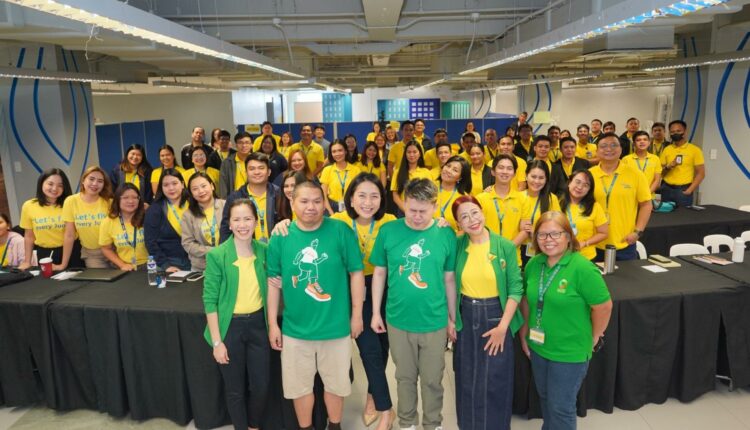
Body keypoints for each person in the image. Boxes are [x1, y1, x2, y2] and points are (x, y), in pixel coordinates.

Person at [266, 181, 365, 430]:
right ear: (292, 202)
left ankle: (335, 425)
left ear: (325, 202)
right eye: (304, 201)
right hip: (295, 330)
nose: (311, 207)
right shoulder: (280, 236)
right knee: (299, 387)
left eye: (317, 201)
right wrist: (272, 325)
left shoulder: (340, 231)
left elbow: (356, 273)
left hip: (336, 327)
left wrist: (357, 315)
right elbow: (273, 284)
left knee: (336, 384)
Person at [370, 178, 457, 430]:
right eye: (412, 210)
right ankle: (407, 423)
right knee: (404, 377)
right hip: (398, 319)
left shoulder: (445, 233)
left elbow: (449, 279)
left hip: (434, 320)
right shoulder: (389, 231)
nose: (417, 216)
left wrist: (452, 318)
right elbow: (379, 273)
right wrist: (375, 312)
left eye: (423, 211)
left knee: (432, 379)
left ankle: (433, 424)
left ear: (434, 206)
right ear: (404, 204)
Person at [519, 211, 612, 430]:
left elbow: (604, 306)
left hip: (570, 351)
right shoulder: (535, 264)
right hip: (539, 346)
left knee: (561, 407)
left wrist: (595, 336)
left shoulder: (582, 268)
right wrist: (524, 331)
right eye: (542, 235)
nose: (548, 240)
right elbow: (527, 299)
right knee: (545, 399)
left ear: (568, 237)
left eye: (555, 234)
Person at [452, 195, 523, 430]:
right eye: (464, 217)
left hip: (497, 316)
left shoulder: (505, 246)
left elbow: (515, 288)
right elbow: (448, 284)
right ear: (458, 224)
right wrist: (450, 320)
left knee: (495, 380)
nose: (471, 220)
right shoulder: (457, 245)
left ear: (483, 212)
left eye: (474, 212)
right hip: (467, 315)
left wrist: (503, 327)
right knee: (467, 379)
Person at [203, 198, 270, 430]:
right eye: (237, 219)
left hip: (259, 326)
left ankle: (253, 425)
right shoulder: (217, 255)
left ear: (256, 222)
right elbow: (209, 301)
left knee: (261, 385)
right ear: (229, 224)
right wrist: (217, 342)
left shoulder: (264, 251)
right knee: (235, 389)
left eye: (248, 218)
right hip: (229, 328)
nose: (243, 224)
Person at [590, 132, 652, 260]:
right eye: (604, 146)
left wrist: (637, 232)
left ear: (621, 149)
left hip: (624, 243)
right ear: (597, 151)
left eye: (614, 145)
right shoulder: (588, 175)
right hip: (593, 243)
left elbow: (646, 204)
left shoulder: (635, 174)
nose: (609, 149)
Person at [18, 168, 72, 270]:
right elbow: (29, 237)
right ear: (41, 183)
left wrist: (63, 265)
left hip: (70, 252)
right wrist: (27, 261)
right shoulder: (29, 205)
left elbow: (69, 236)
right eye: (50, 184)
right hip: (44, 254)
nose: (55, 188)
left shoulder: (69, 204)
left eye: (60, 185)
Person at [220, 152, 280, 244]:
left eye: (261, 168)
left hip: (276, 250)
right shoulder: (235, 197)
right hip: (247, 251)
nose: (257, 172)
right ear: (246, 173)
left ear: (269, 172)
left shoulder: (279, 194)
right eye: (252, 169)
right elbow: (226, 229)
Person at [476, 155, 527, 262]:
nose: (505, 171)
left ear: (514, 173)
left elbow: (525, 230)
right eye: (501, 167)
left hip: (512, 257)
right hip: (485, 256)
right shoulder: (480, 199)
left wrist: (508, 248)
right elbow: (477, 229)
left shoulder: (522, 199)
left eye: (509, 168)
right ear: (493, 172)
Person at [60, 166, 113, 269]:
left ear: (104, 185)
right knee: (100, 284)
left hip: (114, 251)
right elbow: (69, 235)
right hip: (93, 255)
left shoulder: (110, 202)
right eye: (91, 179)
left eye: (100, 181)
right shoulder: (71, 201)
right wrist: (64, 264)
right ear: (83, 180)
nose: (95, 184)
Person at [145, 168, 190, 272]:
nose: (171, 188)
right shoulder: (155, 209)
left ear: (182, 184)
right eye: (166, 185)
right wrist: (166, 265)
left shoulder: (193, 204)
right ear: (161, 188)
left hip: (196, 260)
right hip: (170, 263)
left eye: (174, 183)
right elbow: (150, 241)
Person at [559, 170, 609, 261]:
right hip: (559, 256)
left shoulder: (595, 207)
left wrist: (585, 243)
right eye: (577, 182)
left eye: (586, 185)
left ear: (589, 190)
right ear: (569, 182)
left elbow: (604, 233)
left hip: (586, 257)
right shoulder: (557, 203)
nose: (580, 187)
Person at [181, 172, 226, 272]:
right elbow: (187, 243)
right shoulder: (188, 215)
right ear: (191, 193)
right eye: (195, 189)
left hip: (227, 263)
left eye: (203, 186)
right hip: (202, 267)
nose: (200, 191)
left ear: (212, 186)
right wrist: (212, 251)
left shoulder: (226, 206)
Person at [99, 183, 148, 270]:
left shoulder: (148, 217)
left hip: (150, 265)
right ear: (118, 199)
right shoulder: (108, 222)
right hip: (125, 267)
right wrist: (122, 265)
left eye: (135, 197)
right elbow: (106, 248)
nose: (131, 201)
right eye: (125, 197)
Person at [520, 160, 560, 263]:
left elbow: (558, 226)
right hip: (519, 248)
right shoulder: (517, 197)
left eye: (541, 178)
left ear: (546, 179)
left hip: (543, 249)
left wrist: (538, 232)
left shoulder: (552, 199)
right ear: (526, 176)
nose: (537, 181)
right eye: (533, 177)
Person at [659, 120, 705, 207]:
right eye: (672, 132)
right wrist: (668, 167)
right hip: (666, 189)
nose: (675, 133)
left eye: (678, 131)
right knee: (665, 217)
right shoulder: (667, 149)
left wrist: (690, 190)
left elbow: (701, 173)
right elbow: (660, 172)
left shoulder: (695, 150)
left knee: (683, 218)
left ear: (684, 131)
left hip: (683, 190)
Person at [320, 140, 361, 215]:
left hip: (351, 207)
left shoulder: (356, 170)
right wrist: (330, 212)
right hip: (331, 207)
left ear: (345, 151)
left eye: (340, 150)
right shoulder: (327, 170)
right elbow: (323, 194)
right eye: (334, 151)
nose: (337, 154)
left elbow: (358, 193)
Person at [390, 141, 431, 214]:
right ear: (405, 154)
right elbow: (395, 195)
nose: (411, 155)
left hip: (421, 211)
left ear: (420, 154)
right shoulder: (397, 172)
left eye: (415, 152)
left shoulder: (426, 172)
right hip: (403, 211)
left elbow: (430, 194)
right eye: (409, 152)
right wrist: (405, 209)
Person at [436, 156, 471, 231]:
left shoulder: (464, 199)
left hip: (452, 240)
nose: (448, 170)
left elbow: (466, 231)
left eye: (455, 170)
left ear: (460, 178)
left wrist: (450, 229)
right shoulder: (427, 188)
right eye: (448, 166)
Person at [623, 131, 662, 196]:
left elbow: (657, 180)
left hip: (649, 196)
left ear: (649, 142)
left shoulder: (655, 159)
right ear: (634, 143)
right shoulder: (626, 159)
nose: (642, 142)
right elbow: (624, 180)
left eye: (645, 139)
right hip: (631, 196)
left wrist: (647, 194)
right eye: (638, 140)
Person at [218, 131, 253, 198]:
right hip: (234, 200)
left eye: (247, 142)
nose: (244, 145)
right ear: (236, 145)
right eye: (240, 143)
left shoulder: (257, 161)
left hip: (253, 199)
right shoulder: (227, 163)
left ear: (252, 145)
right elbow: (223, 185)